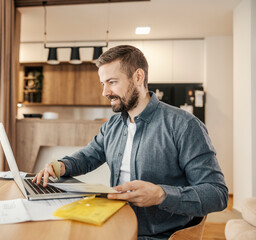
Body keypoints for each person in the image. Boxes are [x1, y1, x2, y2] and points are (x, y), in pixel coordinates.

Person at [33, 45, 228, 239]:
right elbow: (88, 156)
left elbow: (217, 194)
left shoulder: (184, 125)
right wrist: (61, 165)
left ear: (138, 77)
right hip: (114, 223)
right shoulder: (113, 125)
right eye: (103, 84)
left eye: (112, 82)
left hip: (161, 235)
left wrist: (161, 194)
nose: (105, 92)